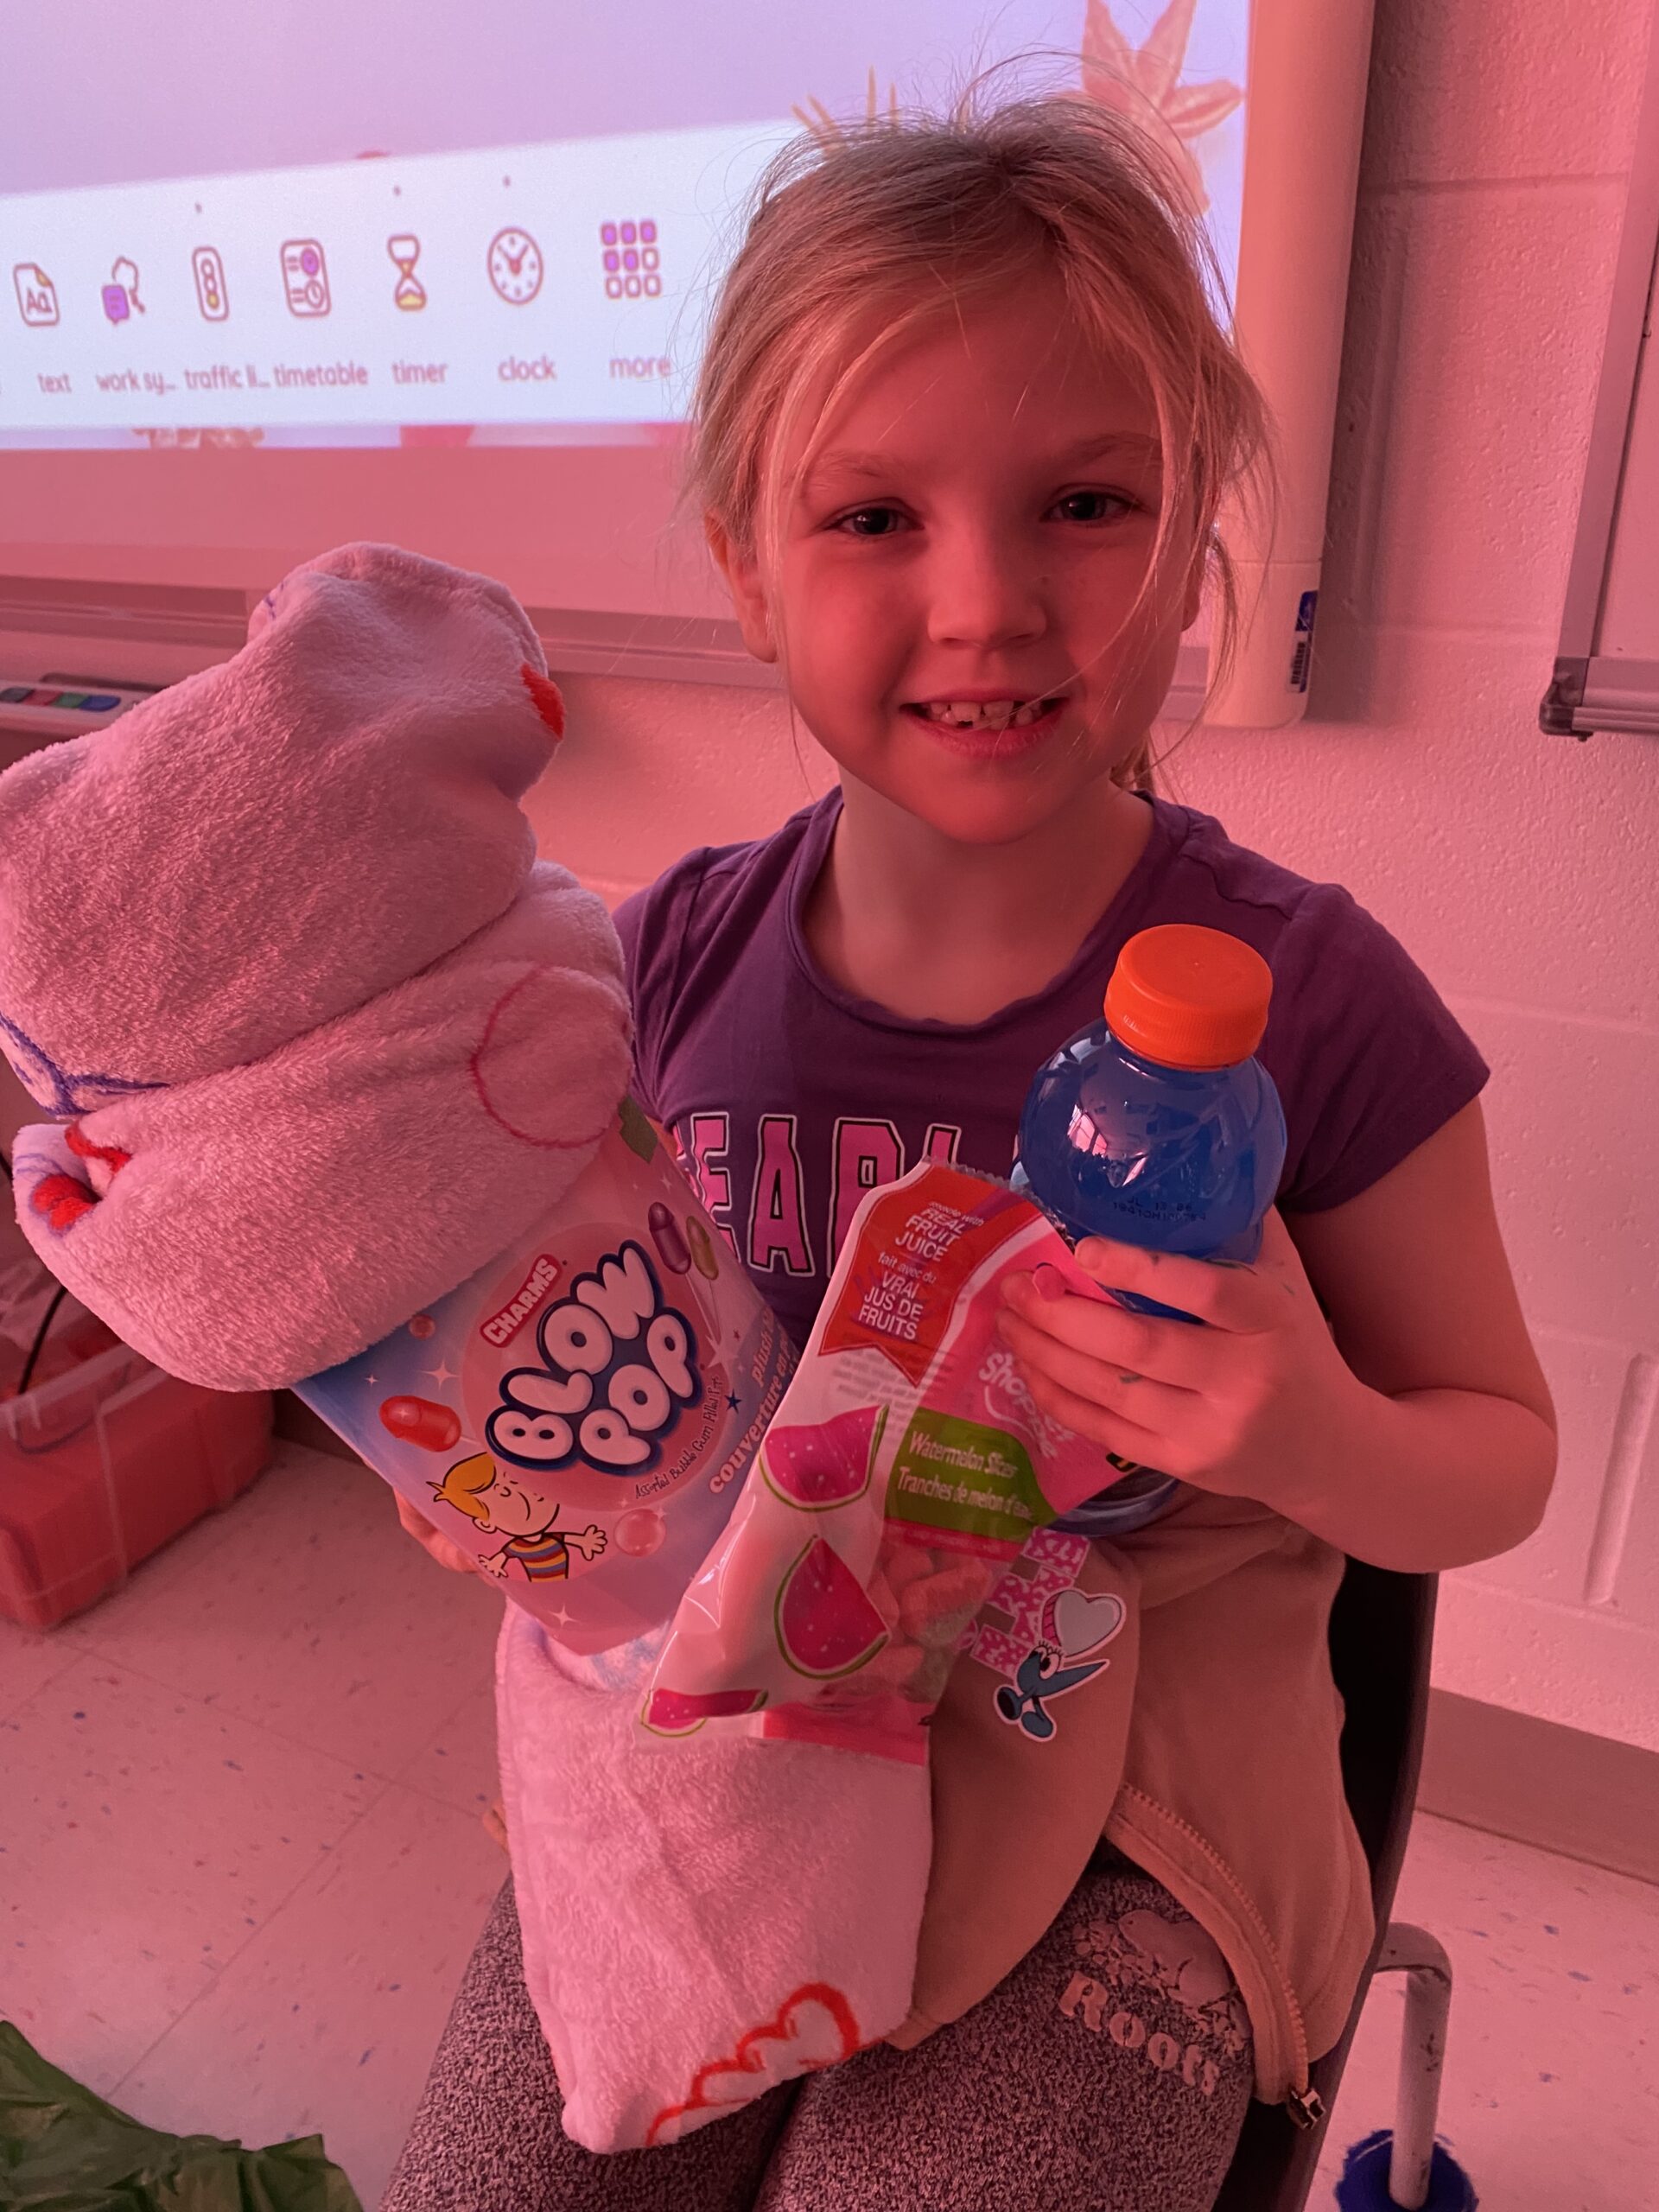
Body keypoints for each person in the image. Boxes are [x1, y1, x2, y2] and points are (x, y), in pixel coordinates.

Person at [385, 85, 1555, 2212]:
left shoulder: (1314, 996)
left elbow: (1499, 1454)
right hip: (742, 1708)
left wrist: (1308, 1429)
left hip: (1137, 1733)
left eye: (1085, 502)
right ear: (746, 571)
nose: (991, 602)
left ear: (1192, 543)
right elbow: (580, 1362)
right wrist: (515, 1482)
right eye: (873, 517)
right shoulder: (659, 962)